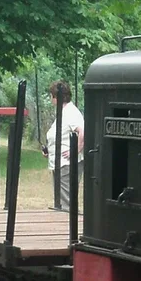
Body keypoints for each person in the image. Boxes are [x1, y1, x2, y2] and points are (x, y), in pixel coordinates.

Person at [42, 80, 85, 211]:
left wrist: (75, 150)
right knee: (61, 200)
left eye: (51, 96)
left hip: (67, 164)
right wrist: (50, 150)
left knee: (66, 201)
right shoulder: (64, 111)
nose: (51, 99)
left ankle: (68, 227)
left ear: (56, 97)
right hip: (60, 163)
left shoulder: (71, 112)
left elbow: (83, 131)